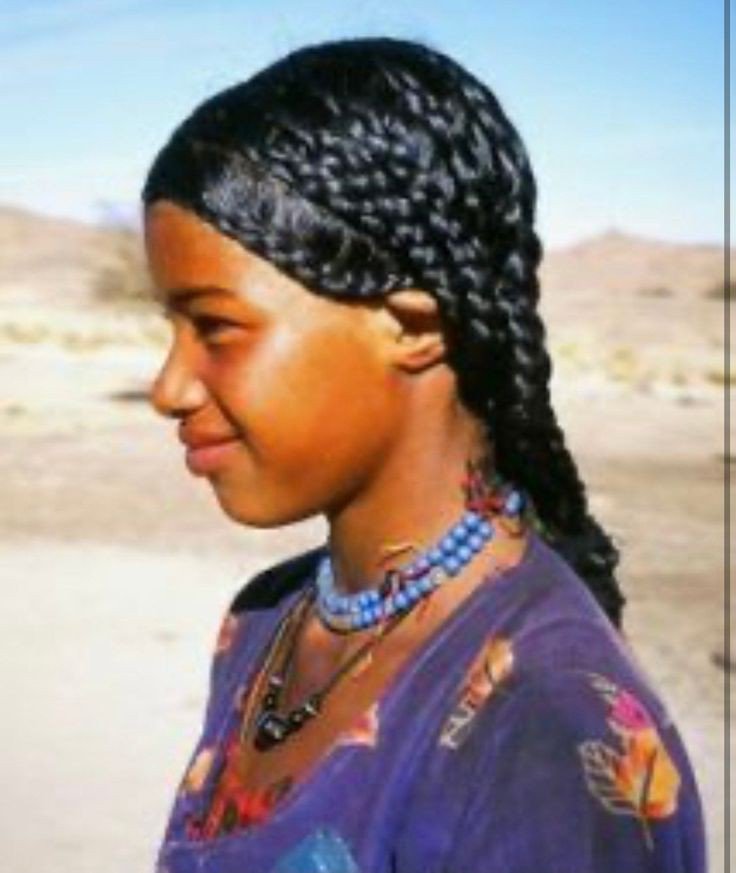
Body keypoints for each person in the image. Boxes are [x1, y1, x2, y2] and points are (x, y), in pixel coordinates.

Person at [142, 38, 706, 873]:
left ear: (412, 326)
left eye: (216, 326)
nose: (168, 387)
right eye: (171, 328)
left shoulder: (541, 732)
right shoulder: (262, 622)